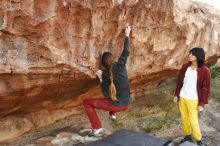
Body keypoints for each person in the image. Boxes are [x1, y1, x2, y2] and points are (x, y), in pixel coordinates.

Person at [83, 25, 132, 137]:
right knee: (114, 93)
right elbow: (126, 50)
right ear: (113, 58)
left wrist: (100, 78)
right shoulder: (121, 64)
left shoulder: (105, 75)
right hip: (128, 102)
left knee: (87, 102)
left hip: (117, 105)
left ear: (103, 65)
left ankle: (97, 128)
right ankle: (113, 115)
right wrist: (127, 34)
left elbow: (105, 94)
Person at [174, 48, 211, 146]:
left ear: (198, 57)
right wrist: (176, 95)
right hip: (183, 97)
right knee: (184, 118)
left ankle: (199, 141)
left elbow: (206, 88)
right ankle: (187, 136)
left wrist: (202, 103)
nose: (189, 55)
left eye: (192, 54)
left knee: (194, 121)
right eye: (190, 53)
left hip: (193, 99)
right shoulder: (185, 67)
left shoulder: (205, 71)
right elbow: (179, 82)